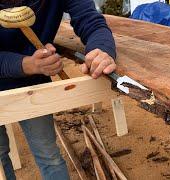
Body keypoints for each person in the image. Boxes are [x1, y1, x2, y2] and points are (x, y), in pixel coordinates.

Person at [0, 0, 116, 179]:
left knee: (49, 156)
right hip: (23, 74)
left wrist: (101, 50)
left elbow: (90, 21)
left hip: (34, 86)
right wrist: (26, 64)